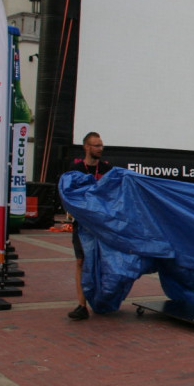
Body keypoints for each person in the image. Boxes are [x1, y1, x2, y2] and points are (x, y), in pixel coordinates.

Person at [67, 132, 112, 320]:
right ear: (86, 147)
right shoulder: (76, 169)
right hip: (82, 224)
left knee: (102, 262)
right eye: (96, 145)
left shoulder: (107, 169)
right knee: (81, 261)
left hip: (101, 224)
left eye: (101, 145)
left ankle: (102, 300)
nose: (100, 149)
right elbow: (68, 192)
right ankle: (81, 305)